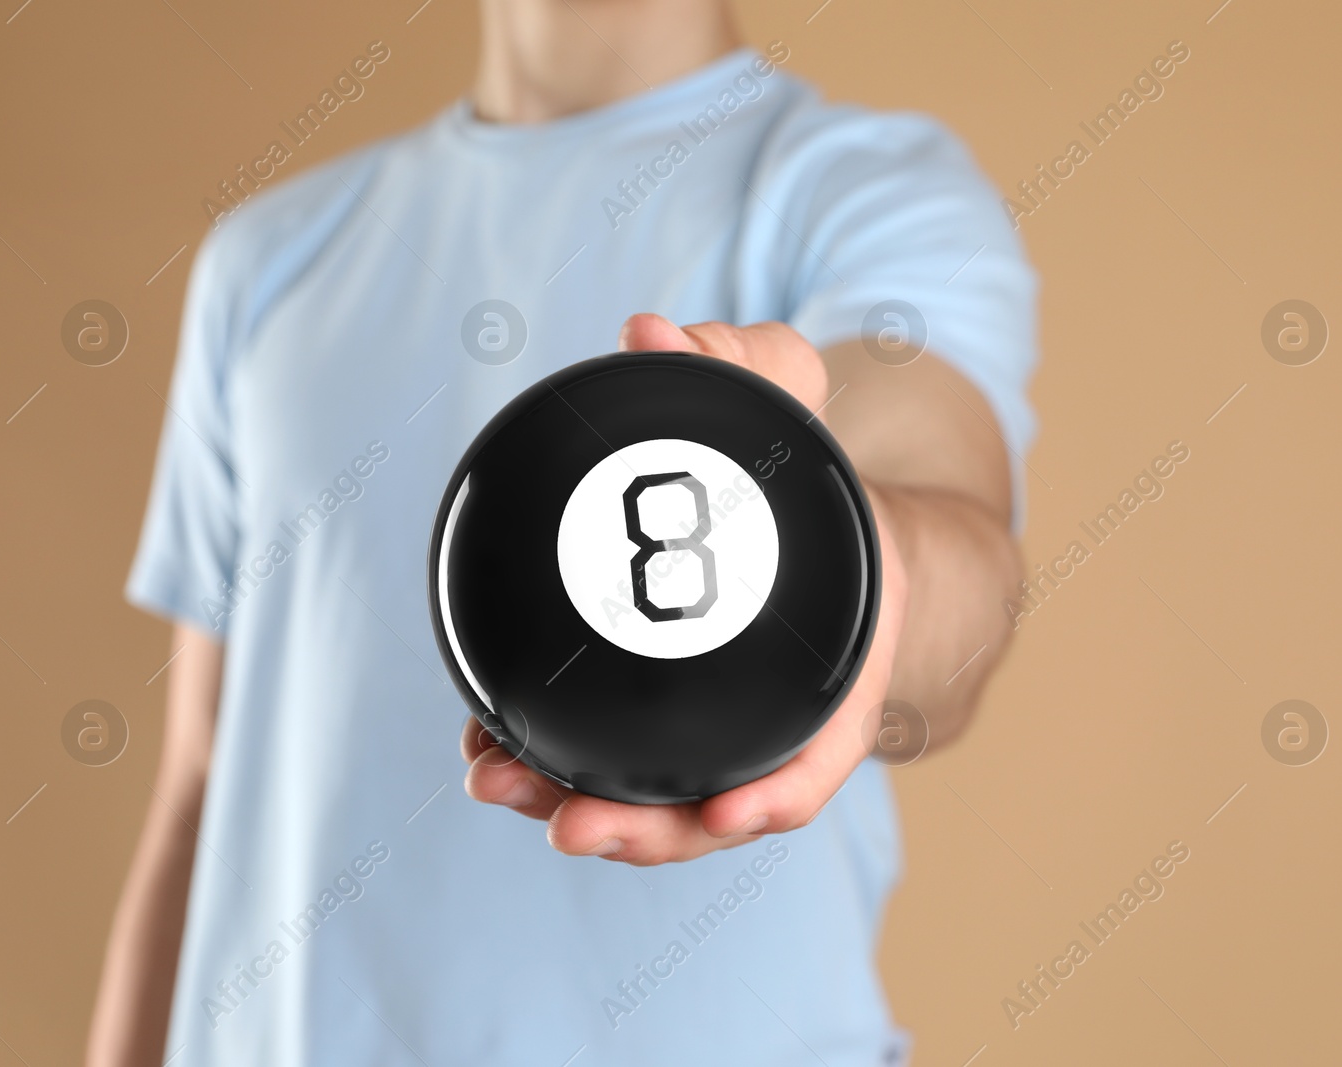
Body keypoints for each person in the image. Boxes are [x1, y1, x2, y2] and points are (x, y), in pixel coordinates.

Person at [86, 1, 1036, 1063]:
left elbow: (941, 521)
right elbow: (203, 787)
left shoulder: (856, 189)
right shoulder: (266, 259)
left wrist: (872, 572)